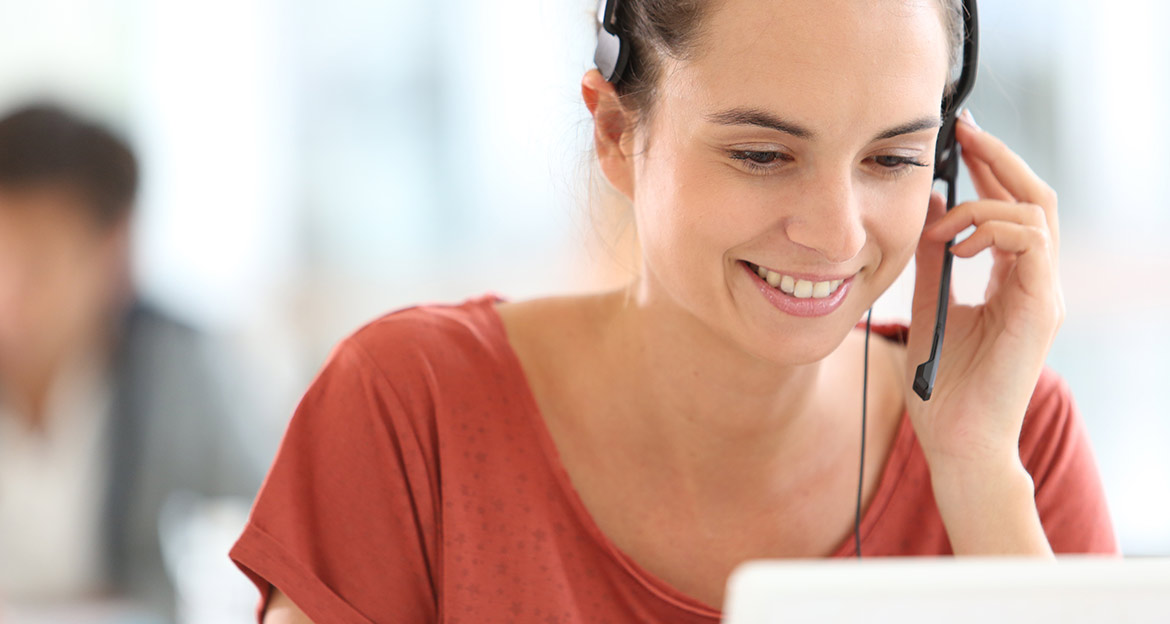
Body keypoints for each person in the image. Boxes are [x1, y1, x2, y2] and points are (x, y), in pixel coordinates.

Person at [231, 0, 1117, 622]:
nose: (836, 232)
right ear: (618, 135)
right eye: (764, 154)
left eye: (891, 160)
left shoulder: (1012, 440)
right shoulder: (412, 409)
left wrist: (972, 473)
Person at [0, 103, 265, 617]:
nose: (9, 292)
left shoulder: (179, 370)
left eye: (37, 261)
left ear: (112, 252)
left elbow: (280, 523)